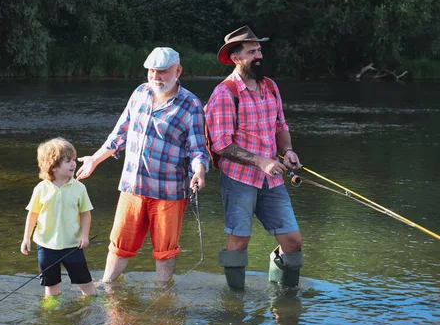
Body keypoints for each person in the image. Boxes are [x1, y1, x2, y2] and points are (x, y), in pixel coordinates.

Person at [76, 47, 209, 283]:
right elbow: (119, 135)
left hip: (169, 191)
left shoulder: (191, 105)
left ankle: (162, 295)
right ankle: (107, 286)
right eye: (151, 71)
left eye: (162, 72)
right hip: (132, 186)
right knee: (119, 244)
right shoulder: (139, 93)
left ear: (178, 70)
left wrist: (199, 171)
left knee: (165, 250)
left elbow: (198, 149)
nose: (156, 77)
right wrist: (94, 160)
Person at [205, 26, 303, 289]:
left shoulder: (270, 86)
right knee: (239, 242)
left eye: (259, 49)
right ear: (236, 58)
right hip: (238, 180)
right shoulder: (225, 93)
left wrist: (289, 151)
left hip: (272, 181)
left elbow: (280, 125)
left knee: (292, 241)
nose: (258, 55)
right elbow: (222, 145)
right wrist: (261, 161)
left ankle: (283, 300)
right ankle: (235, 302)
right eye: (251, 51)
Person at [20, 137, 97, 297]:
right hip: (46, 245)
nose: (73, 164)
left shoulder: (79, 188)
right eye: (68, 161)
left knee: (86, 283)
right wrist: (26, 238)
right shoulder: (41, 188)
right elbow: (33, 213)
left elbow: (85, 213)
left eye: (74, 160)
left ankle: (93, 303)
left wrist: (84, 236)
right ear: (53, 166)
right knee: (51, 286)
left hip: (72, 245)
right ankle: (52, 312)